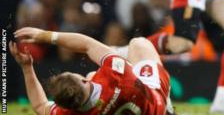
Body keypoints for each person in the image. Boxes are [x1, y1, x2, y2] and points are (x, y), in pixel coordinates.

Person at [10, 27, 173, 115]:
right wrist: (46, 36)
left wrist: (27, 68)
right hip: (156, 106)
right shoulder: (116, 73)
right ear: (83, 81)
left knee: (92, 74)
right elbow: (87, 44)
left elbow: (40, 105)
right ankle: (169, 109)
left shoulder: (65, 114)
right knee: (138, 43)